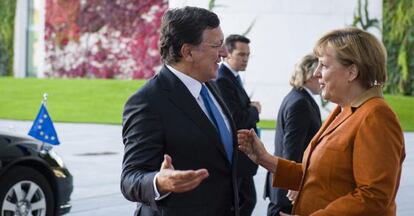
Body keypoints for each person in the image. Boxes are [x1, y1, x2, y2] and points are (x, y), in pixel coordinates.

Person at [238, 27, 405, 215]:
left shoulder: (376, 116)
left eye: (324, 65)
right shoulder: (343, 111)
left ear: (352, 72)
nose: (316, 73)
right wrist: (265, 159)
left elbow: (374, 198)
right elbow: (317, 175)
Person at [121, 6, 240, 216]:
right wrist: (159, 181)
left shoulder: (212, 85)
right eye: (216, 45)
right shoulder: (147, 102)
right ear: (188, 52)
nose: (224, 53)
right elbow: (130, 179)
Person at [264, 54, 322, 216]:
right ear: (310, 75)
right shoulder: (300, 103)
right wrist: (294, 185)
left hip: (285, 186)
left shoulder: (296, 97)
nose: (322, 78)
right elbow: (291, 150)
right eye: (319, 73)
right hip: (288, 193)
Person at [215, 34, 260, 216]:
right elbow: (236, 118)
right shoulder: (222, 79)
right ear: (227, 53)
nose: (245, 59)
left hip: (243, 154)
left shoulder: (233, 77)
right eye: (241, 54)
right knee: (243, 202)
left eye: (248, 55)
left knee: (245, 201)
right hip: (235, 153)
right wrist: (255, 110)